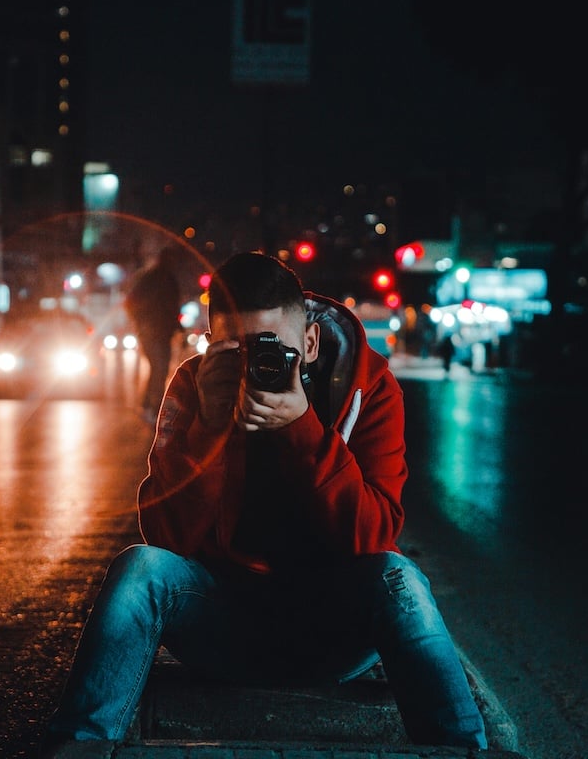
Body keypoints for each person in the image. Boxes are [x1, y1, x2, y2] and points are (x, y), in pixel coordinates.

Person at [41, 251, 488, 754]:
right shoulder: (195, 385)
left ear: (311, 342)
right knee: (139, 567)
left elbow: (374, 536)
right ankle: (76, 747)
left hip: (333, 628)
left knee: (399, 576)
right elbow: (165, 538)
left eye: (273, 349)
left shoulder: (369, 387)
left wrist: (302, 430)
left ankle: (464, 749)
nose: (257, 365)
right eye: (237, 351)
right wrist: (209, 427)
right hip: (221, 623)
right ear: (211, 344)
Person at [124, 245, 182, 422]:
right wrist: (142, 322)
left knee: (159, 369)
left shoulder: (163, 278)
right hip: (153, 331)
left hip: (160, 331)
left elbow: (171, 308)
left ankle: (150, 405)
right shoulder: (157, 278)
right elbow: (132, 302)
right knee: (159, 368)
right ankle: (152, 407)